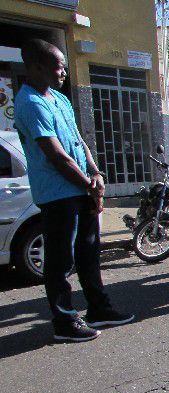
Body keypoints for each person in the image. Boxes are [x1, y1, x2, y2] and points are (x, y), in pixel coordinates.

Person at [14, 39, 133, 342]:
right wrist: (89, 187)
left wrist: (95, 174)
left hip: (81, 189)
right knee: (60, 259)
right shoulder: (30, 103)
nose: (64, 72)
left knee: (88, 253)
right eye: (58, 67)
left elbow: (79, 143)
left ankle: (99, 309)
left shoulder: (59, 99)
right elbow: (56, 156)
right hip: (58, 193)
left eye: (64, 67)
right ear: (36, 67)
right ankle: (65, 321)